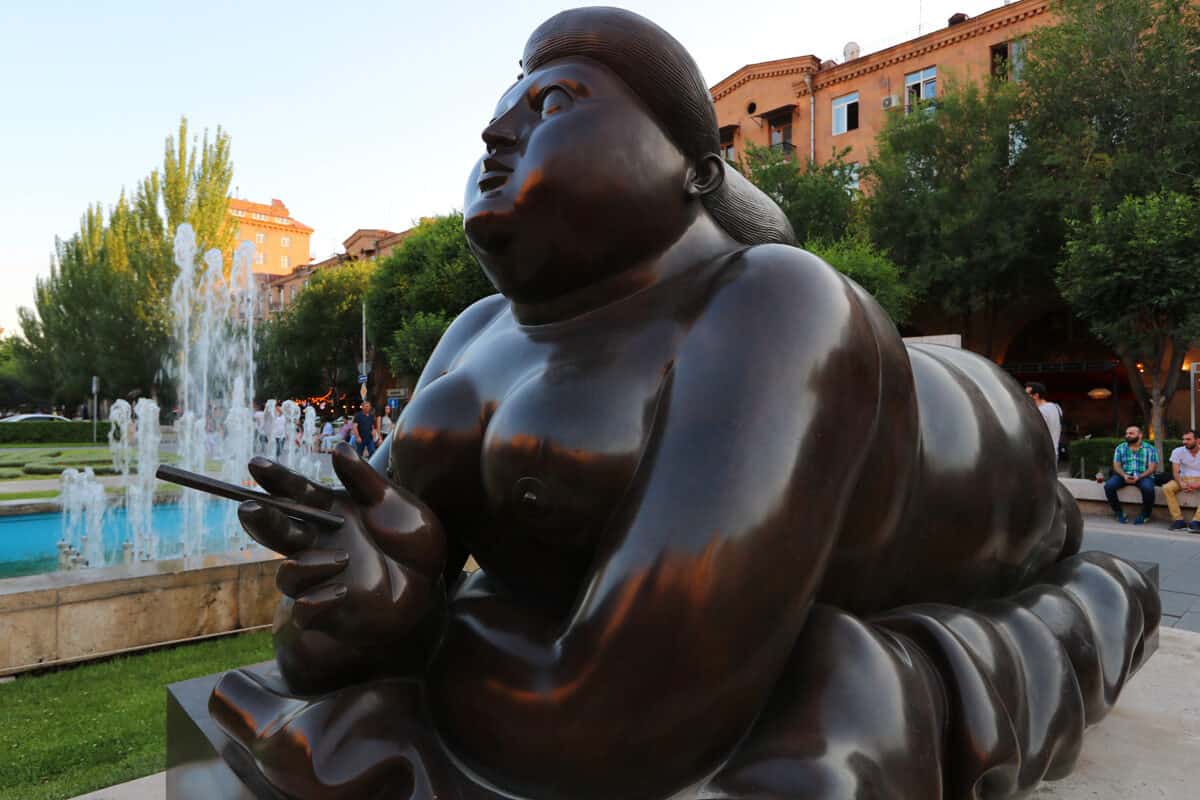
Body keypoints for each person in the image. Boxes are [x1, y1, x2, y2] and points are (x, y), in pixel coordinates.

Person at [212, 10, 1157, 800]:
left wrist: (421, 626)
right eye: (497, 118)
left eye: (552, 105)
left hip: (993, 478)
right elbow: (329, 635)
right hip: (613, 668)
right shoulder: (473, 335)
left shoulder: (774, 305)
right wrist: (358, 600)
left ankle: (1111, 599)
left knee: (852, 698)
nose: (498, 137)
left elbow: (618, 721)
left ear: (696, 172)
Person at [1104, 425, 1159, 524]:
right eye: (1127, 433)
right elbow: (1116, 466)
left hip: (1143, 475)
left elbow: (1152, 468)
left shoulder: (1150, 449)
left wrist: (1139, 476)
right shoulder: (1120, 448)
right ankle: (1119, 512)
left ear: (1140, 435)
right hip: (1124, 474)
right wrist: (1124, 475)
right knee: (1109, 486)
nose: (1128, 435)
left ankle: (1146, 514)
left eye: (1131, 433)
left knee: (1148, 488)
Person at [1163, 428, 1200, 531]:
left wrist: (1197, 485)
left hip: (1199, 479)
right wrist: (1181, 483)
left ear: (1197, 440)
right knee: (1167, 488)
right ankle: (1178, 521)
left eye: (1188, 439)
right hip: (1182, 478)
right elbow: (1175, 472)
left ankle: (1196, 521)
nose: (1185, 442)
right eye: (1184, 439)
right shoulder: (1178, 451)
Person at [1024, 381, 1061, 458]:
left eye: (1026, 395)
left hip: (1041, 455)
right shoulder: (1057, 407)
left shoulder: (1039, 412)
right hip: (1054, 453)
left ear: (1036, 395)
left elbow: (1035, 435)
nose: (1024, 397)